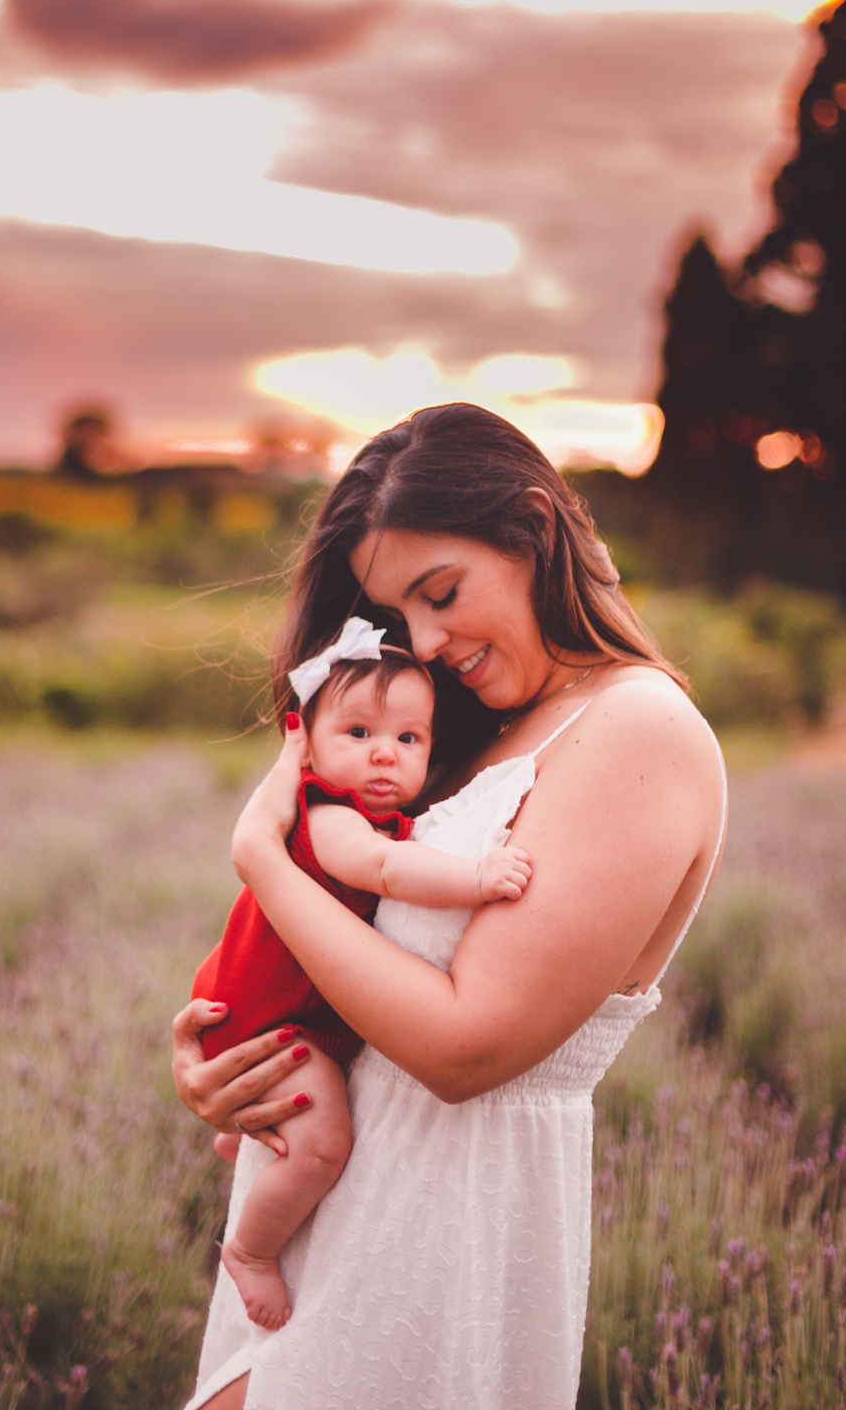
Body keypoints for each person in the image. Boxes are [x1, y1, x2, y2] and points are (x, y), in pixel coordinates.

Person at [172, 404, 727, 1410]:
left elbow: (465, 1047)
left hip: (437, 1240)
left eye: (442, 593)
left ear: (531, 528)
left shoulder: (639, 729)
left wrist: (263, 858)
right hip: (316, 1223)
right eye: (401, 613)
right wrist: (226, 1065)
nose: (422, 643)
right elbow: (349, 966)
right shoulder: (479, 730)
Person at [193, 625, 532, 1333]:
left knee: (300, 1119)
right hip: (275, 1021)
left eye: (410, 739)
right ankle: (251, 1251)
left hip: (278, 1006)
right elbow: (387, 872)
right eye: (358, 731)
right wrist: (476, 878)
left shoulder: (375, 814)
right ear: (307, 747)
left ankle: (244, 1139)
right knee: (323, 1146)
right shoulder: (330, 816)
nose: (386, 751)